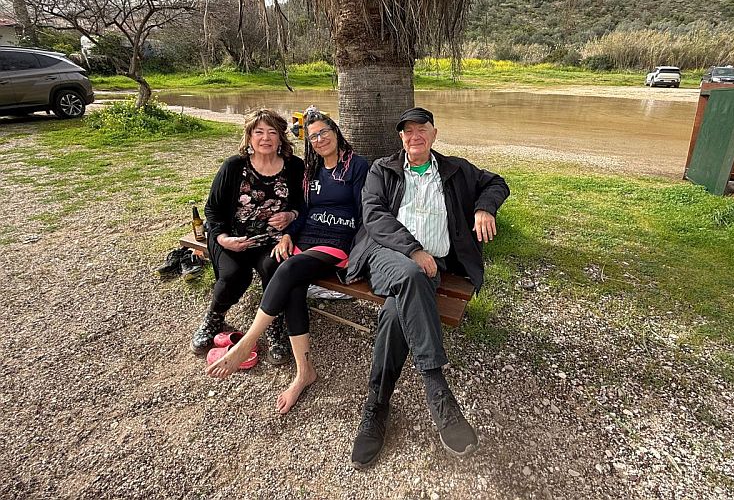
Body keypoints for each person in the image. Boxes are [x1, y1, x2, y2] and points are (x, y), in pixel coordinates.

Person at [346, 107, 509, 468]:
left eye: (422, 129)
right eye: (408, 131)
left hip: (431, 267)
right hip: (386, 256)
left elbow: (497, 182)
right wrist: (413, 250)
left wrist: (484, 208)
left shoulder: (455, 169)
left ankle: (376, 405)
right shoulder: (383, 169)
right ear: (401, 137)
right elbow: (374, 216)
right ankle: (437, 390)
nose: (414, 135)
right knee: (410, 274)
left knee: (395, 313)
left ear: (435, 133)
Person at [207, 111, 369, 414]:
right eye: (313, 136)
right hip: (307, 238)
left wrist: (360, 255)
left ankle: (247, 342)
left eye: (324, 132)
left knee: (288, 268)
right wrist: (289, 235)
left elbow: (365, 213)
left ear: (336, 132)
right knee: (293, 286)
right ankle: (304, 372)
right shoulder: (312, 170)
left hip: (338, 242)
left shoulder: (356, 166)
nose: (320, 139)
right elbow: (303, 210)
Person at [191, 109, 304, 364]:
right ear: (249, 136)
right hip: (233, 239)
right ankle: (214, 317)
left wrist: (291, 215)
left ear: (281, 137)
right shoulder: (233, 166)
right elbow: (212, 210)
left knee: (276, 268)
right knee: (234, 275)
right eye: (259, 132)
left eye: (272, 132)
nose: (266, 138)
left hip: (272, 239)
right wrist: (222, 238)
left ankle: (274, 326)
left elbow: (302, 203)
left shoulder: (295, 166)